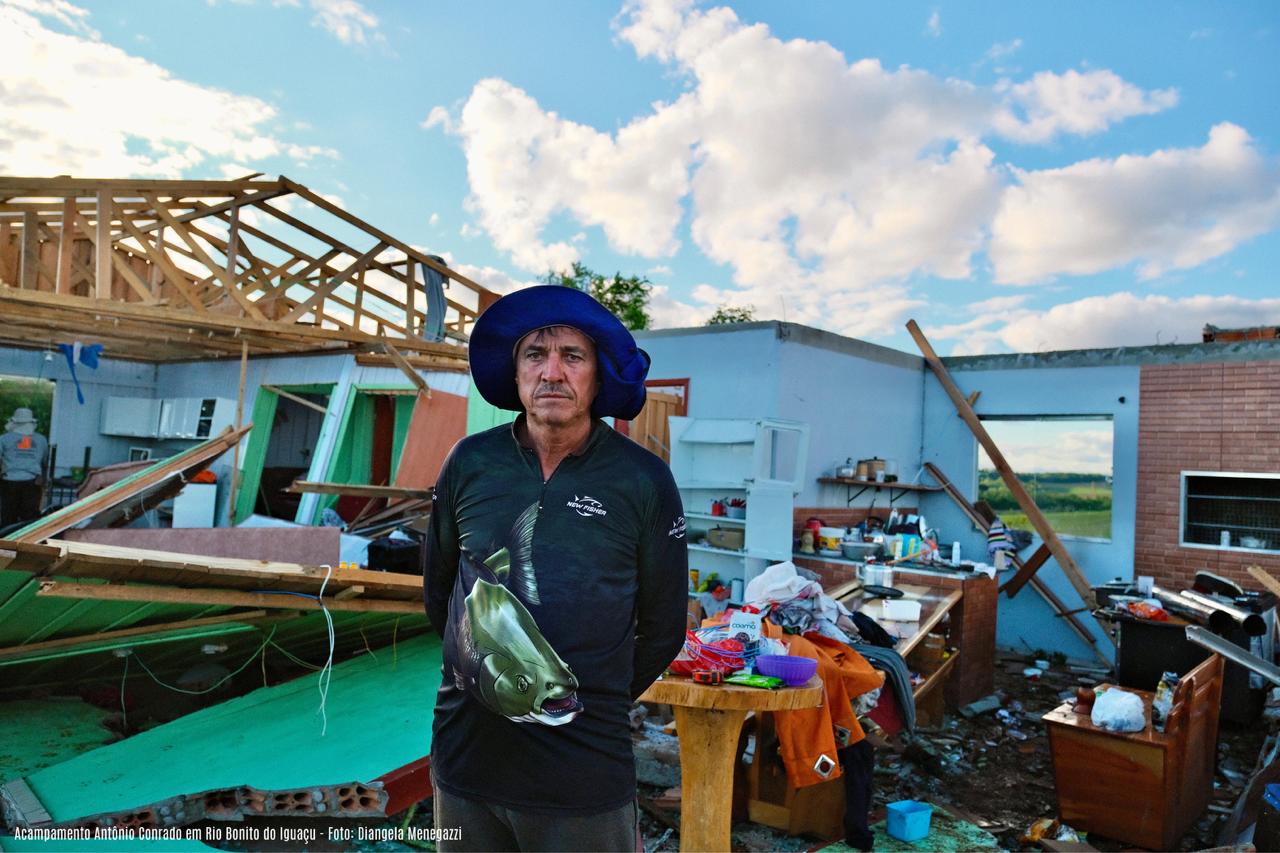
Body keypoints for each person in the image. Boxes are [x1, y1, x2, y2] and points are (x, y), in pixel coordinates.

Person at [423, 285, 688, 852]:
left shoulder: (643, 481)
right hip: (467, 765)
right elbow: (441, 596)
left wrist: (592, 697)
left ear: (596, 376)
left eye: (572, 356)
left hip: (584, 775)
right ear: (516, 375)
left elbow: (664, 629)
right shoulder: (469, 462)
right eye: (534, 356)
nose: (552, 373)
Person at [0, 407, 48, 529]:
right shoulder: (41, 439)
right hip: (32, 482)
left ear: (14, 422)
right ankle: (29, 544)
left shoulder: (4, 439)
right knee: (30, 519)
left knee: (8, 517)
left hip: (9, 481)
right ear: (32, 422)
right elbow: (44, 461)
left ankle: (7, 543)